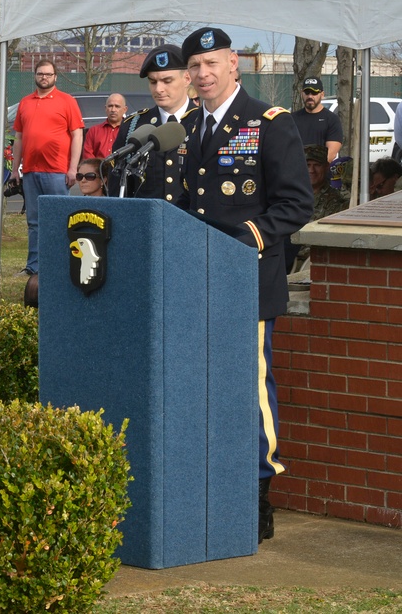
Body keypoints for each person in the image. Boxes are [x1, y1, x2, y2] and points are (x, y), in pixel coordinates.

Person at [178, 27, 312, 545]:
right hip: (199, 278)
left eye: (211, 63)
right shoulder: (193, 128)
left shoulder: (268, 123)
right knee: (207, 384)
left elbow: (297, 204)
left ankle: (259, 490)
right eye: (195, 66)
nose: (202, 74)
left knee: (252, 385)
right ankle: (211, 480)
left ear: (235, 63)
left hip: (249, 279)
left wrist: (245, 239)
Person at [10, 59, 84, 276]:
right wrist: (16, 169)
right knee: (34, 222)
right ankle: (34, 267)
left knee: (59, 220)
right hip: (31, 171)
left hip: (58, 172)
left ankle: (60, 266)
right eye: (41, 74)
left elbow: (77, 134)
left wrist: (73, 168)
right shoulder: (25, 102)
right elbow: (19, 137)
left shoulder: (67, 101)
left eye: (48, 74)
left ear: (55, 77)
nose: (44, 77)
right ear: (35, 75)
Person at [110, 45, 197, 201]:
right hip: (145, 220)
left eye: (167, 81)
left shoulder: (203, 121)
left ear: (187, 78)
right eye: (153, 82)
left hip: (190, 221)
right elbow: (118, 186)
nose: (159, 89)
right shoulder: (134, 125)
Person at [290, 77, 343, 163]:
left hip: (319, 173)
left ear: (322, 94)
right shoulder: (292, 119)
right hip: (297, 171)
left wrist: (313, 169)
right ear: (302, 94)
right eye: (307, 93)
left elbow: (331, 154)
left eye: (314, 93)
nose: (310, 96)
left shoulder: (331, 120)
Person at [81, 94, 127, 161]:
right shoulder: (94, 131)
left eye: (117, 106)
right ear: (105, 108)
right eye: (110, 106)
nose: (113, 110)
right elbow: (88, 157)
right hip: (97, 170)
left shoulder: (130, 130)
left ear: (125, 109)